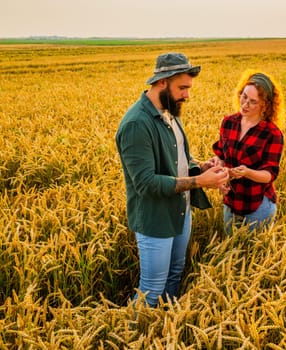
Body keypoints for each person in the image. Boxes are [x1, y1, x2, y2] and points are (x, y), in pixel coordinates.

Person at [115, 52, 229, 307]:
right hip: (155, 220)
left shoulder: (169, 112)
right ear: (162, 82)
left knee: (175, 275)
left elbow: (177, 159)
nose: (187, 95)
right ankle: (130, 335)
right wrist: (200, 182)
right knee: (152, 289)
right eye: (183, 88)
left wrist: (200, 167)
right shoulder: (137, 124)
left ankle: (163, 329)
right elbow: (145, 183)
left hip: (180, 212)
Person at [211, 69, 284, 235]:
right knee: (230, 250)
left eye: (253, 101)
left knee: (253, 255)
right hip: (231, 200)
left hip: (258, 205)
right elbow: (222, 155)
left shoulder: (272, 134)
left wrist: (247, 172)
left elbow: (269, 174)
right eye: (243, 96)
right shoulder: (229, 122)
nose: (245, 104)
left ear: (265, 105)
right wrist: (220, 174)